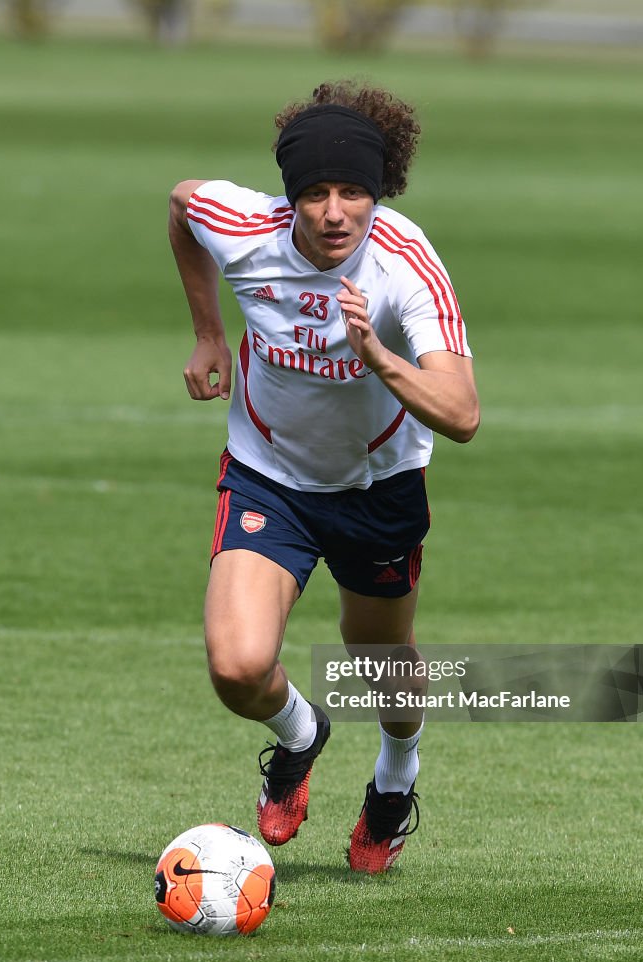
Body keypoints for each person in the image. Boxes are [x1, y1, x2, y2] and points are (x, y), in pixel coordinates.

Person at [168, 81, 479, 873]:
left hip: (378, 489)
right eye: (314, 192)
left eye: (353, 192)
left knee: (378, 656)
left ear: (380, 192)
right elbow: (181, 207)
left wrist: (377, 355)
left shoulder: (406, 264)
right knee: (237, 669)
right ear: (290, 198)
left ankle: (395, 780)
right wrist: (209, 332)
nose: (335, 211)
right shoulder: (242, 228)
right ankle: (303, 736)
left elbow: (463, 411)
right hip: (268, 474)